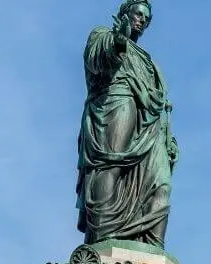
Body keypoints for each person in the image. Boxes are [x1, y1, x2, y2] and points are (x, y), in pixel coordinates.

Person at [76, 0, 179, 247]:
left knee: (162, 183)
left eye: (147, 18)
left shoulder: (147, 60)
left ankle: (153, 247)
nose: (142, 20)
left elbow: (157, 102)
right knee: (112, 166)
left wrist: (167, 136)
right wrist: (117, 42)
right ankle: (103, 237)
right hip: (116, 105)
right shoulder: (102, 35)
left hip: (151, 127)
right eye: (138, 14)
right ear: (125, 13)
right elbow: (96, 61)